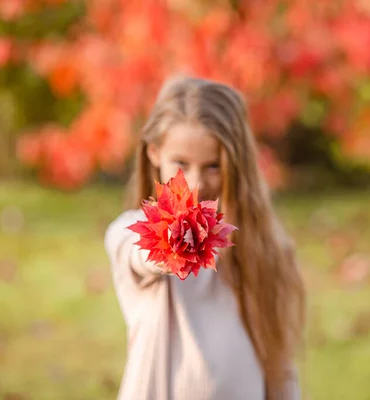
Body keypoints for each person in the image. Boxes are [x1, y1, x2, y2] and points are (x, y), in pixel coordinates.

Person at [104, 76, 306, 400]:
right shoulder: (133, 231)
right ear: (154, 153)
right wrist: (173, 242)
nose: (195, 182)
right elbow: (135, 253)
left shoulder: (266, 247)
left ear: (236, 165)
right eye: (181, 163)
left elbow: (279, 366)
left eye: (213, 166)